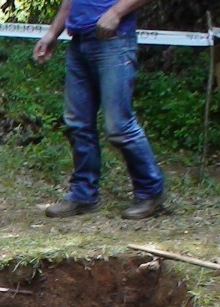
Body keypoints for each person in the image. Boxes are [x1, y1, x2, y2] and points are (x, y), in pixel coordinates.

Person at [33, 0, 166, 220]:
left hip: (114, 40)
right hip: (79, 42)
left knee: (119, 126)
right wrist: (52, 33)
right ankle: (83, 196)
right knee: (78, 124)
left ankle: (151, 193)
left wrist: (116, 12)